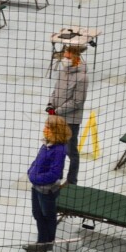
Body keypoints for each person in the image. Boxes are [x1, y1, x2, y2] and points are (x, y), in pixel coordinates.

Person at [25, 116, 71, 252]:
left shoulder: (58, 150)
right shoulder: (46, 144)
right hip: (37, 187)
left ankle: (45, 244)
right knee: (38, 214)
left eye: (47, 128)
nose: (44, 129)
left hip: (47, 191)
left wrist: (37, 178)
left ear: (56, 131)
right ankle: (42, 241)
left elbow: (55, 173)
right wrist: (31, 171)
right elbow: (37, 161)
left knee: (47, 216)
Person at [47, 45, 88, 185]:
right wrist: (50, 105)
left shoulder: (82, 77)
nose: (64, 58)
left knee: (71, 152)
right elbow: (56, 91)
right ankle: (56, 177)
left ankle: (72, 181)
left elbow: (77, 102)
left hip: (71, 120)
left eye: (67, 55)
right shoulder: (63, 72)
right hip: (57, 118)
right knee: (57, 150)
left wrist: (57, 111)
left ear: (75, 57)